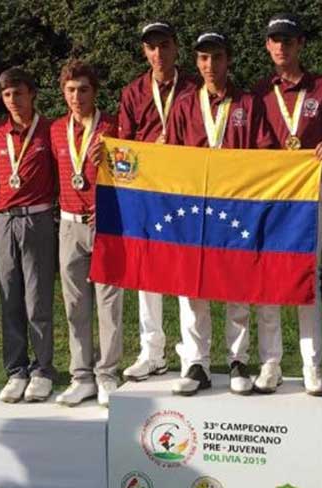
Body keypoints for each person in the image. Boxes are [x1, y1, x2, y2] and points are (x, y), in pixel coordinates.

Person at [166, 31, 278, 396]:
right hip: (194, 211)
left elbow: (264, 153)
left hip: (235, 210)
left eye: (216, 57)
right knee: (191, 286)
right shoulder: (184, 104)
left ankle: (237, 360)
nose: (209, 66)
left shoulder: (248, 102)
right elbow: (171, 155)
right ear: (196, 62)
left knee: (237, 286)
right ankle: (196, 363)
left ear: (229, 60)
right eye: (202, 58)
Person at [253, 12, 322, 396]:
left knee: (308, 277)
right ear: (267, 46)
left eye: (287, 40)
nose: (280, 46)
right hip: (271, 199)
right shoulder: (259, 91)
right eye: (274, 40)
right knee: (268, 278)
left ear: (300, 44)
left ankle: (312, 365)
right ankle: (271, 362)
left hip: (309, 198)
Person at [116, 20, 199, 382]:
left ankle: (192, 354)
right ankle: (152, 352)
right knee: (147, 274)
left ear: (176, 48)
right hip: (147, 193)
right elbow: (125, 146)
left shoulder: (195, 90)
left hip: (185, 190)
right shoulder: (133, 92)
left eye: (164, 46)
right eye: (151, 47)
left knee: (185, 273)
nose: (158, 54)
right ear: (144, 52)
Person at [50, 59, 124, 407]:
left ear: (94, 92)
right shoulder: (54, 130)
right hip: (68, 224)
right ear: (63, 93)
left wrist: (111, 160)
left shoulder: (113, 127)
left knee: (108, 303)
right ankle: (81, 376)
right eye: (70, 90)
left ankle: (107, 374)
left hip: (106, 225)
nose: (76, 96)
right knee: (75, 304)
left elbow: (131, 174)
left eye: (83, 90)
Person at [0, 67, 57, 403]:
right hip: (3, 221)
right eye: (7, 94)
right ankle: (16, 370)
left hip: (38, 219)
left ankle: (42, 368)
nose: (13, 100)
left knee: (37, 297)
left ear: (32, 94)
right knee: (9, 296)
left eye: (19, 93)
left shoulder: (51, 130)